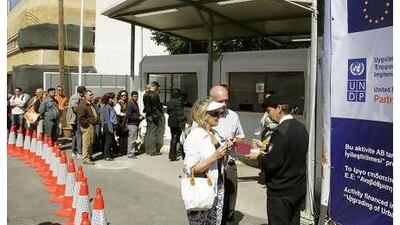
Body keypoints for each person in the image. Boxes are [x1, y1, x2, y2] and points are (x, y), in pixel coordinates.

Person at [246, 95, 309, 225]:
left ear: (279, 108)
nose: (268, 116)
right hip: (297, 187)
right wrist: (266, 147)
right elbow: (290, 150)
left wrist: (257, 157)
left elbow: (272, 163)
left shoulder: (280, 131)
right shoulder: (301, 127)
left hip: (281, 190)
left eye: (269, 111)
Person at [183, 99, 234, 225]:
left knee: (216, 222)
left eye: (220, 113)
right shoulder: (194, 137)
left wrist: (225, 152)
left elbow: (221, 161)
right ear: (204, 115)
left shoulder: (216, 134)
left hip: (218, 185)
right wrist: (215, 156)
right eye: (215, 114)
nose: (219, 117)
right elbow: (192, 170)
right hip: (201, 187)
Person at [210, 85, 245, 224]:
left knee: (229, 202)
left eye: (226, 100)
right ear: (212, 100)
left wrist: (236, 141)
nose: (224, 104)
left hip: (229, 165)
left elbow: (242, 143)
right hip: (211, 165)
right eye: (221, 101)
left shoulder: (233, 115)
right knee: (212, 202)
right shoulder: (204, 116)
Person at [76, 90, 98, 165]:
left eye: (92, 94)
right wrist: (87, 123)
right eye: (90, 95)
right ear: (85, 96)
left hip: (92, 125)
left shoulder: (91, 104)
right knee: (86, 142)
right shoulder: (82, 105)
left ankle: (89, 156)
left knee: (91, 142)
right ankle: (86, 158)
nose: (92, 96)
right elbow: (80, 118)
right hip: (87, 126)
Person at [143, 81, 164, 156]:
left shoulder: (145, 94)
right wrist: (161, 110)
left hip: (148, 114)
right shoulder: (155, 95)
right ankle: (152, 151)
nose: (158, 88)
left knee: (148, 132)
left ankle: (147, 149)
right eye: (157, 87)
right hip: (154, 115)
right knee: (153, 133)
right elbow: (158, 105)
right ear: (155, 86)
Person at [66, 86, 86, 158]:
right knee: (78, 135)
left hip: (75, 119)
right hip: (75, 119)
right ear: (83, 91)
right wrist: (81, 113)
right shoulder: (76, 97)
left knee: (75, 135)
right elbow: (74, 107)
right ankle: (79, 152)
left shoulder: (77, 96)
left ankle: (74, 151)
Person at [166, 88, 185, 161]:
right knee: (177, 138)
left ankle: (172, 154)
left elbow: (168, 111)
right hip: (177, 122)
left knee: (173, 137)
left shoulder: (170, 101)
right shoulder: (178, 102)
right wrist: (183, 120)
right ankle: (174, 154)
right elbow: (180, 113)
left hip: (171, 121)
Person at [126, 91, 143, 158]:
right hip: (132, 124)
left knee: (133, 138)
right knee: (132, 139)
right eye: (134, 96)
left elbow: (135, 113)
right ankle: (130, 153)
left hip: (135, 123)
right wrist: (138, 117)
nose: (136, 98)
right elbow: (129, 115)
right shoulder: (130, 104)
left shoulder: (135, 103)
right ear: (131, 96)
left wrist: (140, 116)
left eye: (136, 96)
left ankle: (131, 152)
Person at [101, 92, 118, 161]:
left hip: (111, 125)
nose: (113, 99)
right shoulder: (106, 107)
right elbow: (107, 119)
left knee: (110, 141)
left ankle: (109, 154)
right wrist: (110, 128)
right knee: (108, 141)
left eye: (113, 98)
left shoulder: (111, 106)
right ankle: (107, 156)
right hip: (108, 125)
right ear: (108, 99)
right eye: (112, 98)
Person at [114, 90, 129, 156]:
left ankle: (125, 151)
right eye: (122, 95)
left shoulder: (127, 103)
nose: (124, 97)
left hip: (126, 122)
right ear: (120, 96)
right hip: (121, 122)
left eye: (125, 95)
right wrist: (125, 114)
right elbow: (118, 113)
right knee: (121, 137)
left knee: (126, 137)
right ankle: (121, 151)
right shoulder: (118, 104)